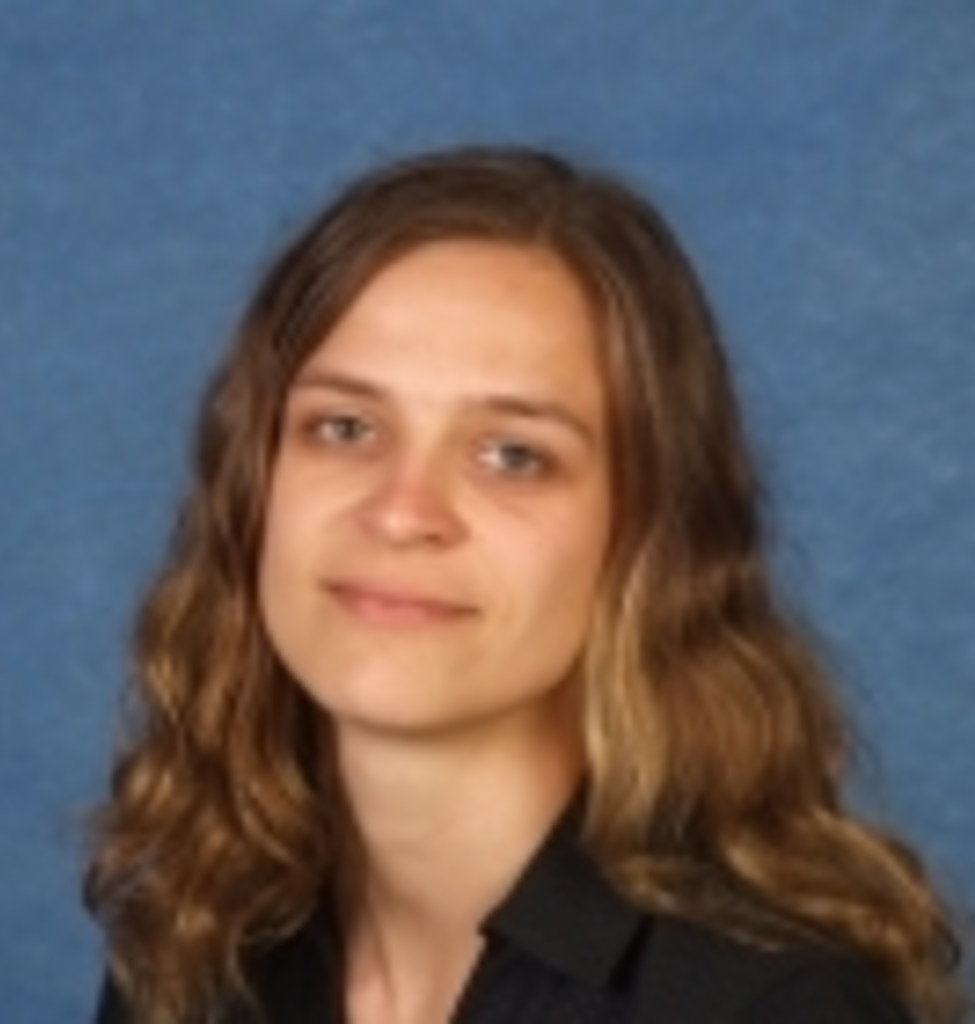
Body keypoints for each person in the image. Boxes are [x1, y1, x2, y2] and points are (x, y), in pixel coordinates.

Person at [84, 146, 963, 1023]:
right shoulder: (194, 957)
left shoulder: (773, 1007)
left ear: (649, 536)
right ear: (251, 483)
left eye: (513, 456)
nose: (401, 512)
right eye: (345, 427)